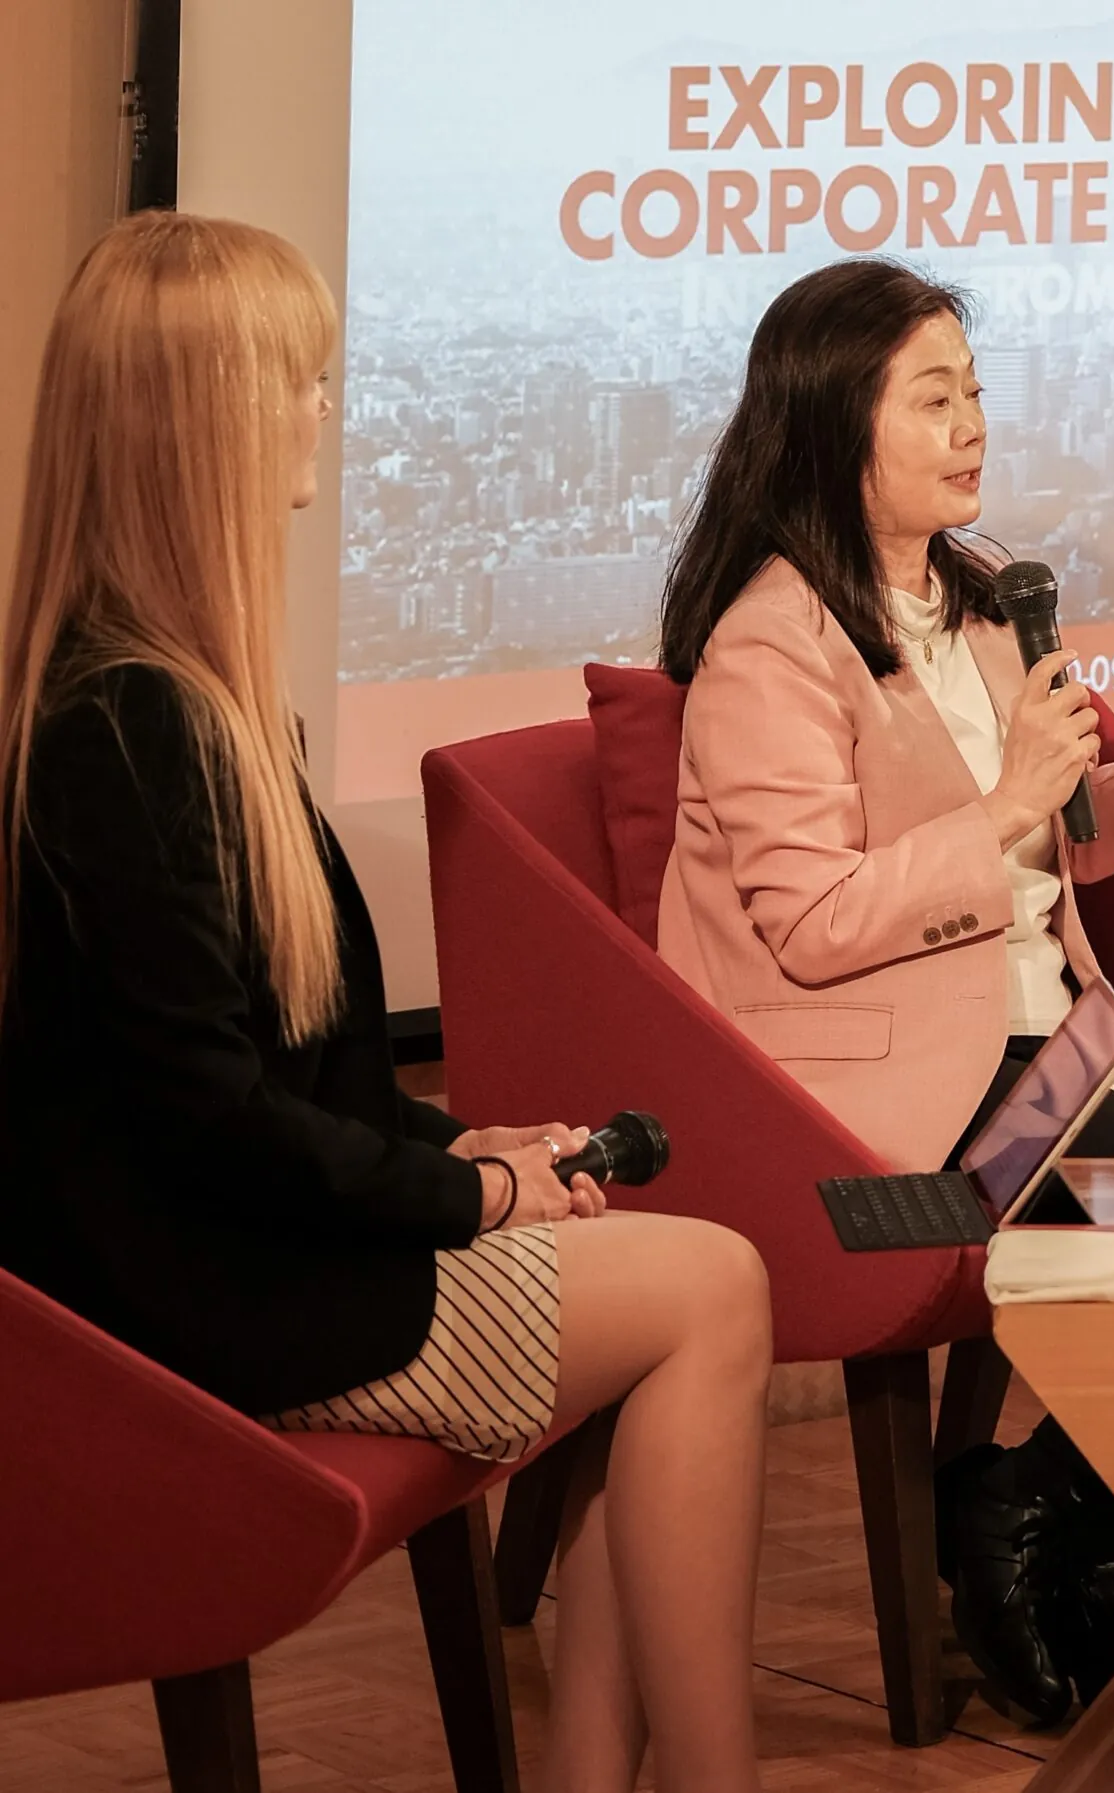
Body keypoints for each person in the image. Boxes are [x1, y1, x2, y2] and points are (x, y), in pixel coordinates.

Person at [0, 213, 774, 1793]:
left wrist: (453, 1147)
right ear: (211, 421)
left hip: (245, 1259)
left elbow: (269, 1076)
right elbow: (211, 1122)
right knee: (714, 1287)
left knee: (678, 1284)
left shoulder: (164, 696)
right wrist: (467, 1197)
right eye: (302, 380)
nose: (323, 412)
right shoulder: (126, 729)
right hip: (217, 1312)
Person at [653, 259, 1114, 1725]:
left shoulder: (984, 606)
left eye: (976, 392)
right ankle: (1038, 1531)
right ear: (837, 425)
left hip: (1049, 1051)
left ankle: (1033, 1501)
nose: (973, 426)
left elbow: (1063, 831)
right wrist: (1004, 800)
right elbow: (812, 923)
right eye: (933, 398)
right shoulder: (770, 645)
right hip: (886, 1095)